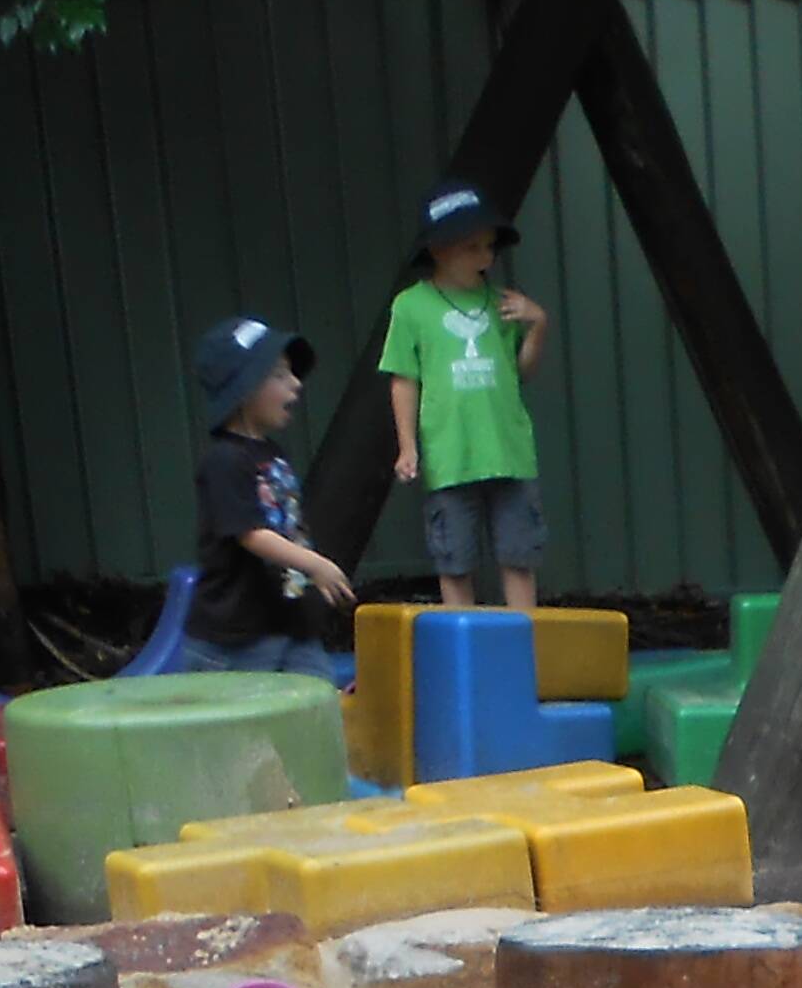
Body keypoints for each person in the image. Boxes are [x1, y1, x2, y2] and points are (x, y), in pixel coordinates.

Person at [379, 181, 552, 610]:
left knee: (519, 555)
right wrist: (407, 446)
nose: (486, 257)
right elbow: (403, 377)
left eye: (489, 246)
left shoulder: (503, 303)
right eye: (472, 247)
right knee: (454, 559)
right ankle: (464, 654)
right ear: (439, 250)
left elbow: (520, 372)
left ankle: (522, 651)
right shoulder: (411, 306)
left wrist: (538, 325)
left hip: (508, 451)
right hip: (450, 454)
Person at [176, 316, 356, 682]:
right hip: (235, 641)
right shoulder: (224, 461)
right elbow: (251, 534)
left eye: (293, 374)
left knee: (316, 712)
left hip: (290, 625)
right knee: (244, 734)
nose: (295, 385)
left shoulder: (272, 454)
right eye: (278, 375)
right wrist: (313, 564)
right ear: (243, 390)